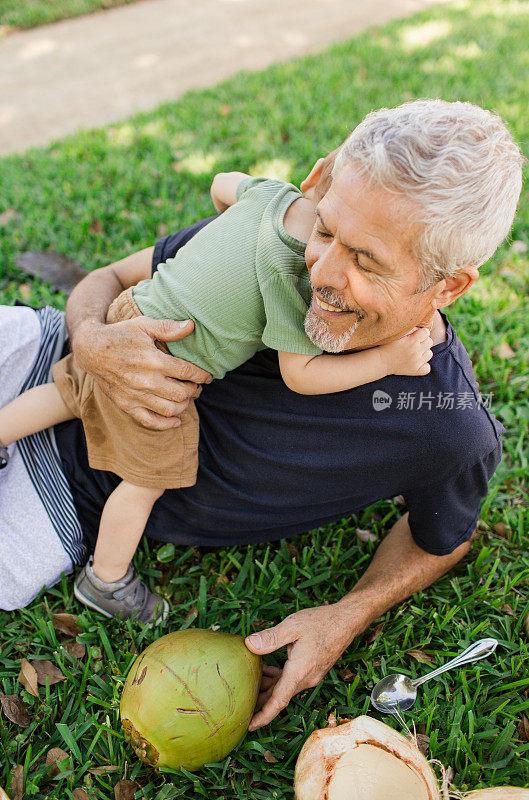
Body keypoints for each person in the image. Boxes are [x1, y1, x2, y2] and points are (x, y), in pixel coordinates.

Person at [0, 99, 523, 731]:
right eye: (328, 232)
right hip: (42, 356)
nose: (321, 270)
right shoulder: (277, 239)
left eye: (366, 261)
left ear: (448, 285)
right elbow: (110, 276)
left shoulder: (445, 422)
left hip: (60, 499)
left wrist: (347, 613)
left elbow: (443, 537)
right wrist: (89, 338)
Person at [0, 157, 434, 626]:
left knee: (68, 392)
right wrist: (388, 361)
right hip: (164, 369)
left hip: (132, 315)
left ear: (313, 175)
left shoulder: (268, 195)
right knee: (148, 481)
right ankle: (106, 580)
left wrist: (226, 238)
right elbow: (301, 375)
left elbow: (221, 184)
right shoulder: (294, 276)